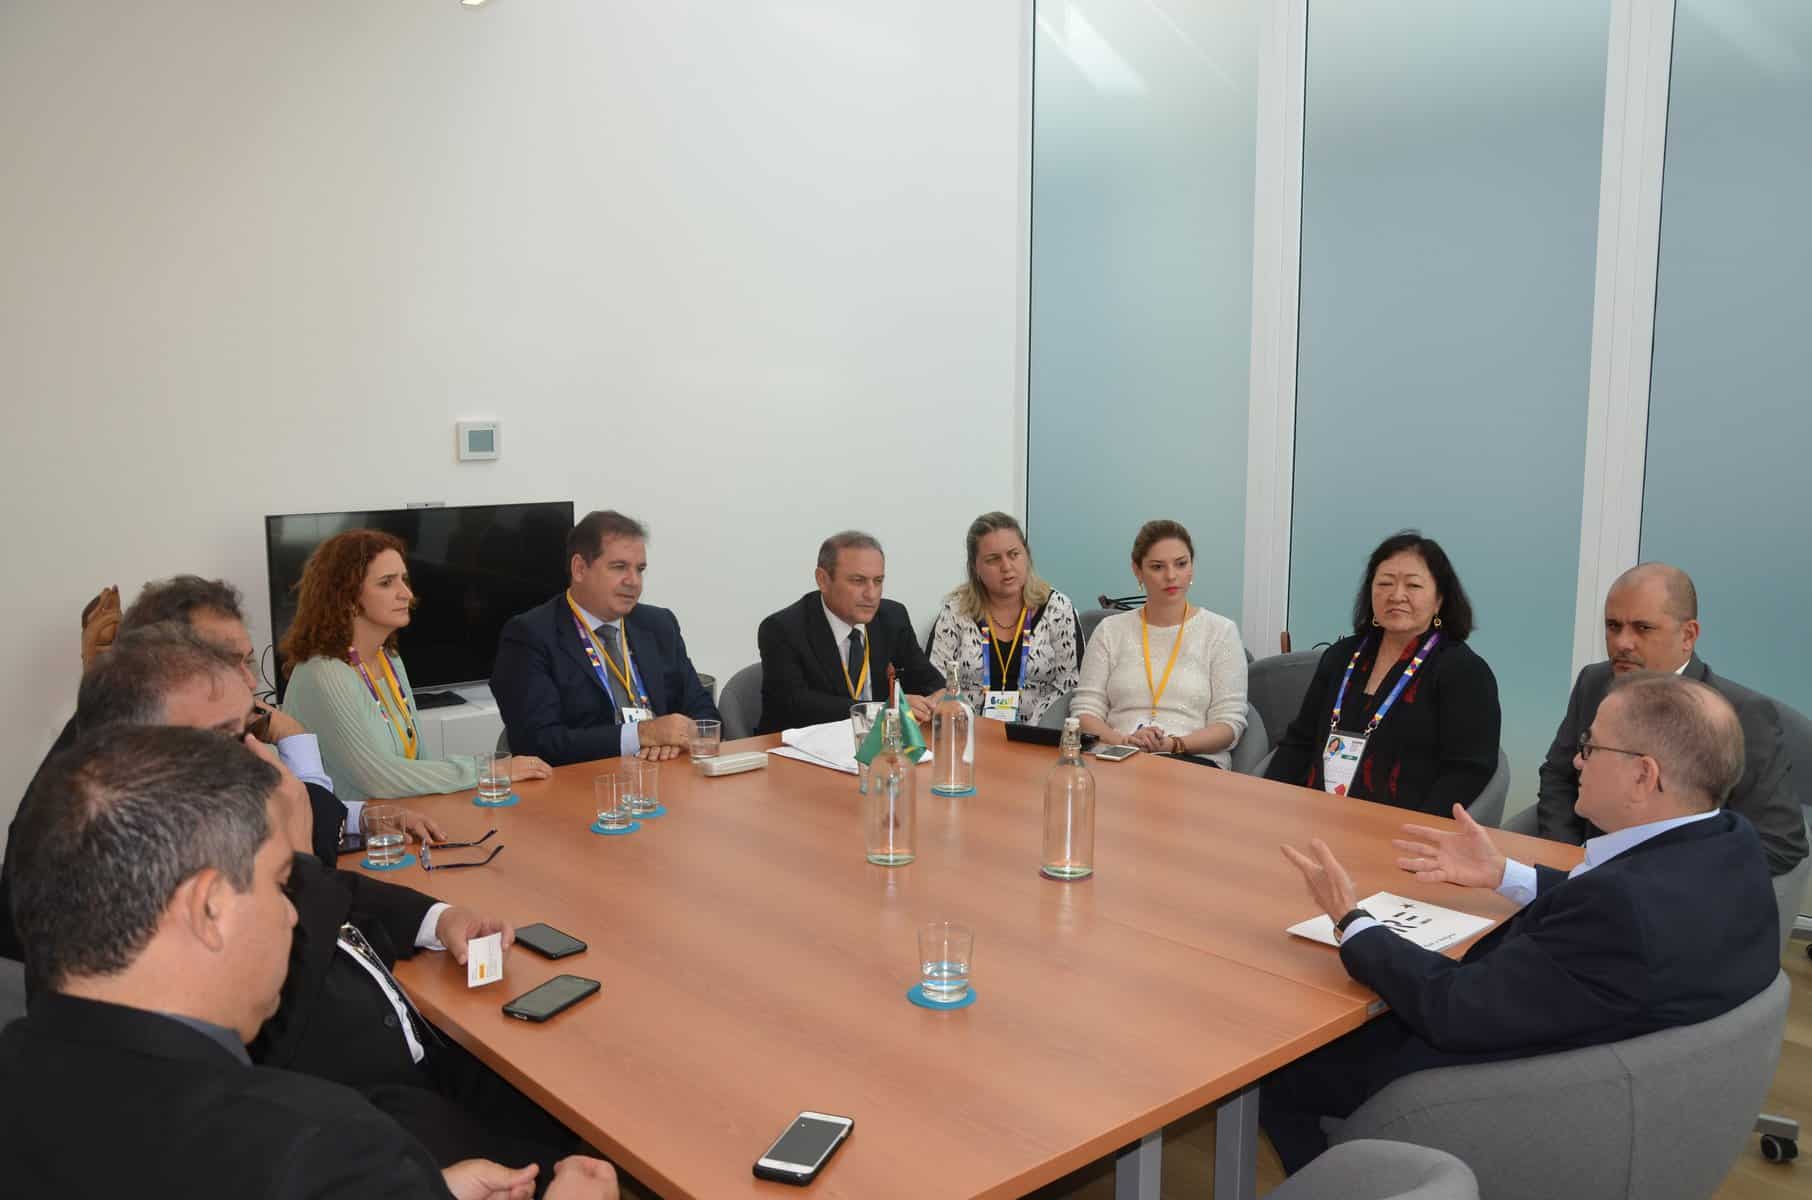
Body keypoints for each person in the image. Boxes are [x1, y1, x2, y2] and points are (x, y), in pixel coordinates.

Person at [1, 625, 572, 1176]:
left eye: (252, 725)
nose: (257, 751)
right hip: (381, 1120)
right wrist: (297, 855)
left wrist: (437, 917)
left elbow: (342, 889)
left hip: (415, 1066)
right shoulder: (290, 1126)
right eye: (227, 735)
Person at [1261, 673, 1780, 1173]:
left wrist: (1352, 920)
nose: (1577, 760)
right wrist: (1505, 875)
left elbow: (1453, 1009)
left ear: (1644, 775)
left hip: (1498, 1089)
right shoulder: (1730, 844)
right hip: (1628, 1069)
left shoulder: (1621, 909)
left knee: (1279, 1063)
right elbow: (1621, 917)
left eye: (1592, 746)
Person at [1537, 562, 1805, 876]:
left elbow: (1780, 842)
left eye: (1642, 628)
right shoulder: (1594, 683)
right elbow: (1559, 776)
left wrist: (1658, 875)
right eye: (1613, 626)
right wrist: (1568, 861)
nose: (1622, 643)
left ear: (1688, 635)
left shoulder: (1741, 715)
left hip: (1675, 888)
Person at [280, 529, 553, 805]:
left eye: (404, 580)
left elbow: (418, 760)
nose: (406, 594)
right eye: (387, 583)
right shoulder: (323, 673)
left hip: (402, 815)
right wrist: (489, 770)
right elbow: (380, 778)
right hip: (350, 829)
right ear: (347, 597)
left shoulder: (390, 659)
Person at [1265, 531, 1500, 814]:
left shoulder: (1463, 671)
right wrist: (1266, 803)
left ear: (1439, 600)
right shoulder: (1342, 656)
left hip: (1401, 826)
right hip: (1314, 813)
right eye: (1385, 583)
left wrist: (1415, 830)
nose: (1396, 595)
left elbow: (1467, 771)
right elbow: (1299, 741)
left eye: (1413, 585)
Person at [492, 510, 719, 766]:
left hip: (665, 771)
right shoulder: (530, 636)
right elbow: (538, 743)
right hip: (583, 782)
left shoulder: (659, 624)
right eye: (619, 567)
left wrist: (674, 741)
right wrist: (641, 735)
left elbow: (705, 712)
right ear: (579, 569)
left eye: (640, 569)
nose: (634, 581)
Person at [1069, 520, 1248, 767]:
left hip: (1191, 761)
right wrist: (1124, 741)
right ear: (1137, 571)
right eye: (1157, 567)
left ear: (1192, 567)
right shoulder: (1109, 630)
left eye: (1181, 564)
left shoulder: (1221, 632)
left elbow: (1229, 724)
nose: (1171, 576)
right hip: (1116, 757)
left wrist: (1174, 744)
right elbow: (1085, 711)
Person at [757, 531, 945, 733]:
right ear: (822, 580)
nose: (871, 594)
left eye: (878, 581)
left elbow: (927, 679)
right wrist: (882, 710)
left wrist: (939, 697)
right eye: (858, 581)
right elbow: (797, 706)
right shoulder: (782, 629)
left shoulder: (892, 617)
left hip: (876, 743)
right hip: (801, 745)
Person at [925, 512, 1082, 725]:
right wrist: (973, 725)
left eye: (1014, 554)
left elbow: (1071, 686)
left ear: (1027, 556)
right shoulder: (956, 611)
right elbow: (935, 683)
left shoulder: (1058, 608)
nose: (1006, 567)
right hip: (969, 731)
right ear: (975, 567)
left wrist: (1031, 730)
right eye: (993, 559)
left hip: (1040, 733)